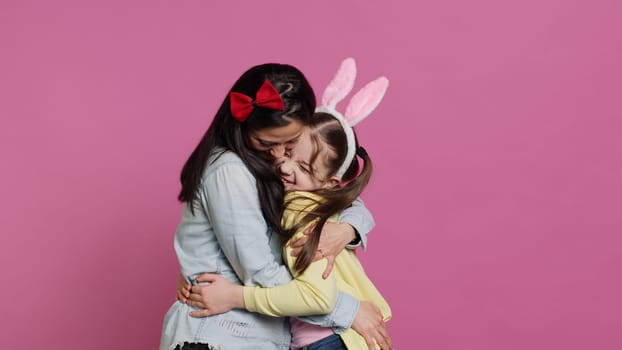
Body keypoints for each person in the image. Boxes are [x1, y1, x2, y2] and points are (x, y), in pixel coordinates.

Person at [160, 62, 390, 350]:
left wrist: (346, 229)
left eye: (290, 144)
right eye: (267, 143)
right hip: (220, 334)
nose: (280, 155)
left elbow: (343, 199)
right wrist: (347, 309)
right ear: (245, 126)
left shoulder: (274, 170)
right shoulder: (230, 172)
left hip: (261, 336)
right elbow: (259, 273)